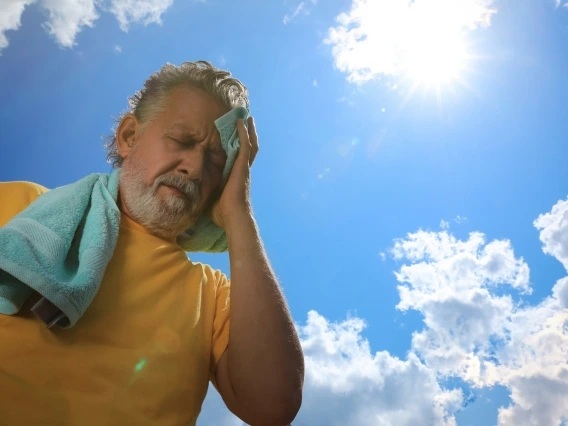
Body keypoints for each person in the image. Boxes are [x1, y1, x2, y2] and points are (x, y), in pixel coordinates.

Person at [0, 61, 304, 426]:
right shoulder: (20, 208)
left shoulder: (212, 295)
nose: (194, 166)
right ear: (129, 137)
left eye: (215, 161)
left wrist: (239, 213)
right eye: (183, 140)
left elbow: (272, 407)